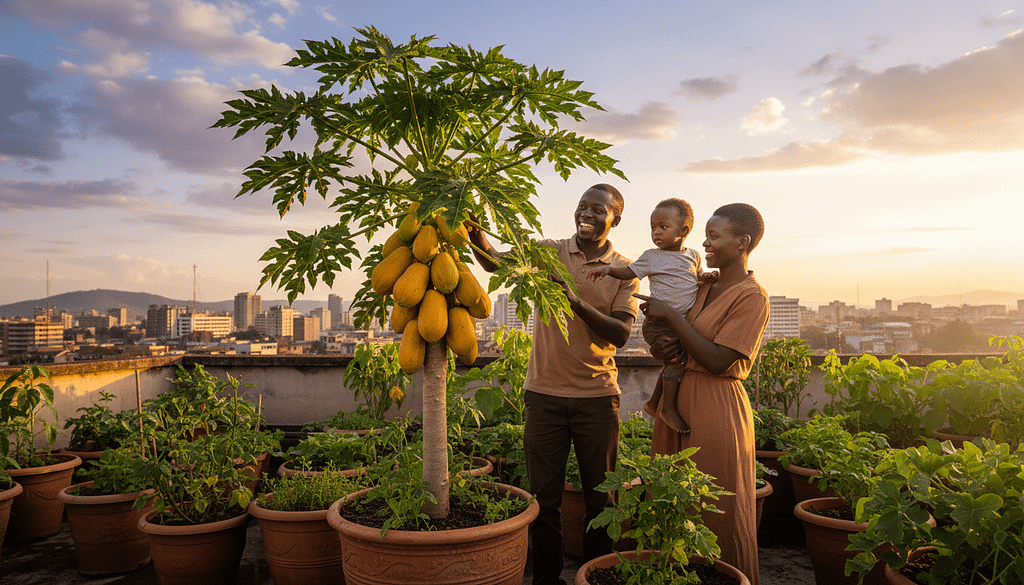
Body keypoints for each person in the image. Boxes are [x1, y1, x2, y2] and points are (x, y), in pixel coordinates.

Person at [468, 184, 639, 585]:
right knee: (543, 501)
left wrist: (575, 301)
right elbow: (495, 263)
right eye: (582, 206)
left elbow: (621, 333)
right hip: (544, 395)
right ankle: (547, 579)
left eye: (598, 209)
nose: (586, 213)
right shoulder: (548, 251)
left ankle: (594, 577)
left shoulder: (624, 270)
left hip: (598, 398)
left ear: (615, 218)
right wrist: (475, 233)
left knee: (601, 499)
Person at [637, 202, 769, 585]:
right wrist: (662, 346)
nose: (705, 244)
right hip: (676, 401)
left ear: (742, 242)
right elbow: (681, 342)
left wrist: (671, 315)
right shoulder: (703, 285)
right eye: (705, 236)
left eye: (714, 236)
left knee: (713, 508)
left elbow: (717, 360)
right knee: (669, 501)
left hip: (716, 407)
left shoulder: (751, 297)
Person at [587, 197, 707, 434]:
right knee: (676, 361)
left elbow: (698, 277)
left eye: (663, 227)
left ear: (683, 231)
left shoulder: (693, 255)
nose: (656, 232)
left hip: (682, 323)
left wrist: (708, 278)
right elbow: (629, 271)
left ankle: (653, 403)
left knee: (673, 361)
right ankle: (667, 408)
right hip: (659, 324)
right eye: (653, 228)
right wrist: (609, 269)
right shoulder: (652, 256)